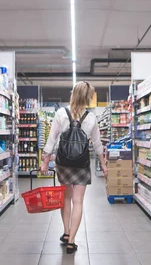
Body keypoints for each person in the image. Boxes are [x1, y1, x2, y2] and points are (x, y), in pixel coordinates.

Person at [40, 81, 108, 254]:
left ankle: (66, 231)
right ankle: (71, 241)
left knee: (66, 199)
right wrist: (103, 164)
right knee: (78, 201)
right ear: (87, 98)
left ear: (73, 95)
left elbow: (51, 139)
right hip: (81, 164)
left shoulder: (61, 114)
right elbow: (98, 143)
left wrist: (45, 161)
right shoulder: (91, 117)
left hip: (63, 163)